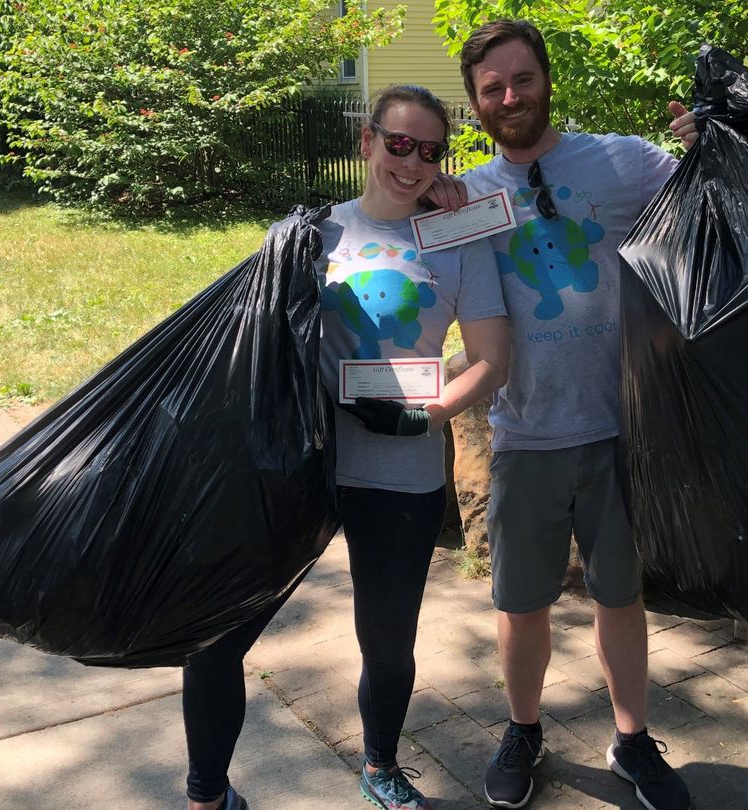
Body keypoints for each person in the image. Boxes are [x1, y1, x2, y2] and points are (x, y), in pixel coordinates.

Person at [179, 84, 509, 810]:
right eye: (399, 142)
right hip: (299, 469)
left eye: (430, 150)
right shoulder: (309, 234)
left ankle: (381, 767)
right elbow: (249, 348)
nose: (413, 161)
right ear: (366, 142)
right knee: (219, 636)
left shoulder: (457, 238)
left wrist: (431, 416)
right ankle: (207, 795)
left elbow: (491, 357)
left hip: (401, 471)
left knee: (387, 646)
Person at [427, 19, 698, 810]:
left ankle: (633, 739)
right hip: (524, 433)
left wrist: (706, 138)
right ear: (476, 105)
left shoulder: (621, 162)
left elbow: (708, 198)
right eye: (492, 89)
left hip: (618, 428)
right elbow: (411, 275)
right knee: (520, 602)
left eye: (521, 79)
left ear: (546, 78)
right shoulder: (471, 196)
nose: (510, 97)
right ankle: (524, 730)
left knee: (621, 595)